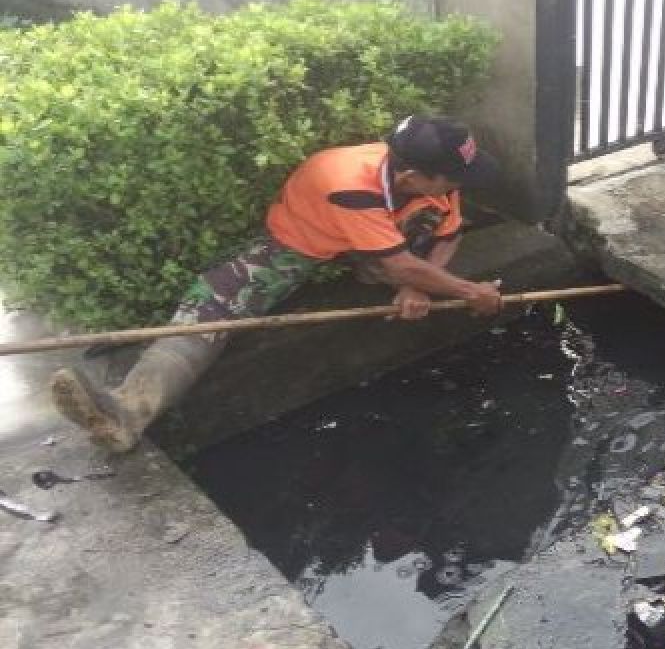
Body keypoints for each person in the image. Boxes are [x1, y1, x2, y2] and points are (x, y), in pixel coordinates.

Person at [51, 116, 505, 452]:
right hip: (302, 242)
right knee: (213, 306)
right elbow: (405, 265)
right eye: (453, 178)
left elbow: (448, 232)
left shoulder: (436, 183)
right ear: (411, 175)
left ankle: (381, 268)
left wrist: (420, 286)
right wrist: (469, 291)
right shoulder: (349, 182)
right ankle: (129, 410)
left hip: (384, 239)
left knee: (407, 260)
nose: (458, 186)